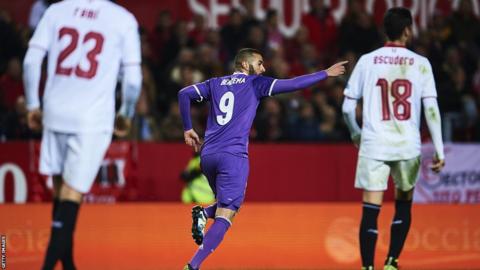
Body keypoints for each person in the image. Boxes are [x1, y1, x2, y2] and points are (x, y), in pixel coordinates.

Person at [178, 48, 347, 270]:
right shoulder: (256, 84)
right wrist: (325, 73)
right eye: (260, 64)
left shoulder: (215, 83)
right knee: (227, 214)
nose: (263, 68)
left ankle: (204, 213)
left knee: (226, 206)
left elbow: (184, 94)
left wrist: (188, 128)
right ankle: (192, 266)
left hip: (207, 155)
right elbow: (294, 83)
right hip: (233, 156)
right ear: (246, 66)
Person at [22, 0, 142, 269]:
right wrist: (125, 112)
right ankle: (47, 265)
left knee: (61, 191)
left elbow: (31, 61)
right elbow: (133, 80)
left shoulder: (56, 10)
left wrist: (32, 104)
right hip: (91, 118)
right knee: (72, 194)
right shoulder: (122, 19)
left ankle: (69, 264)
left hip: (54, 111)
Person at [341, 8, 445, 270]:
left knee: (370, 209)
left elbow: (346, 107)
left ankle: (367, 267)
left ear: (384, 30)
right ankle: (391, 262)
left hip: (374, 144)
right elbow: (431, 110)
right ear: (408, 30)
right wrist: (439, 150)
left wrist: (355, 132)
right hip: (407, 146)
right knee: (403, 204)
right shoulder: (421, 63)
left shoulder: (367, 60)